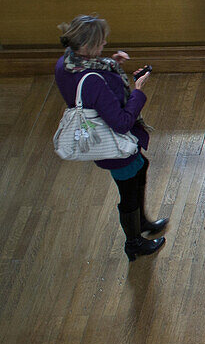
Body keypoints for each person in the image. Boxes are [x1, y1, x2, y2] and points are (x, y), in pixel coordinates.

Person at [54, 15, 167, 261]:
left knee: (141, 167)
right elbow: (121, 122)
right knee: (128, 191)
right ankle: (134, 242)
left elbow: (87, 86)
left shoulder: (65, 64)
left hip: (102, 137)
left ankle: (142, 221)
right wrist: (138, 90)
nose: (105, 43)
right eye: (101, 42)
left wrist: (112, 63)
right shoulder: (93, 80)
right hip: (112, 146)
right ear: (88, 47)